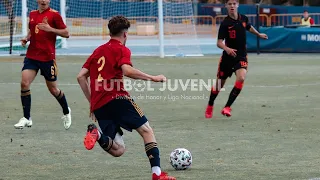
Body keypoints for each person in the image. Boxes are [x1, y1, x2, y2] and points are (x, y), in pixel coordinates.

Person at [77, 15, 176, 180]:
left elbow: (81, 77)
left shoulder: (98, 51)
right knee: (147, 131)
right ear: (125, 34)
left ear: (110, 32)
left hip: (100, 106)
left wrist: (93, 104)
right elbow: (128, 71)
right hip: (118, 99)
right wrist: (153, 78)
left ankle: (97, 134)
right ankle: (157, 174)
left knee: (118, 150)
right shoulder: (121, 49)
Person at [205, 0, 268, 118]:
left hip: (241, 56)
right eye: (229, 4)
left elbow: (248, 27)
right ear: (226, 6)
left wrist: (258, 34)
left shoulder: (243, 18)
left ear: (238, 5)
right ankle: (210, 104)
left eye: (234, 4)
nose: (232, 6)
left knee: (241, 77)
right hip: (228, 58)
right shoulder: (225, 23)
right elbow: (219, 43)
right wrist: (227, 48)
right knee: (219, 85)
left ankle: (227, 107)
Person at [14, 0, 71, 129]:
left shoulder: (54, 15)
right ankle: (26, 118)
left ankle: (66, 111)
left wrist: (50, 29)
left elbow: (66, 33)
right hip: (32, 56)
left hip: (47, 58)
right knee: (24, 83)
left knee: (53, 90)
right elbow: (32, 31)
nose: (44, 1)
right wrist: (26, 38)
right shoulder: (33, 14)